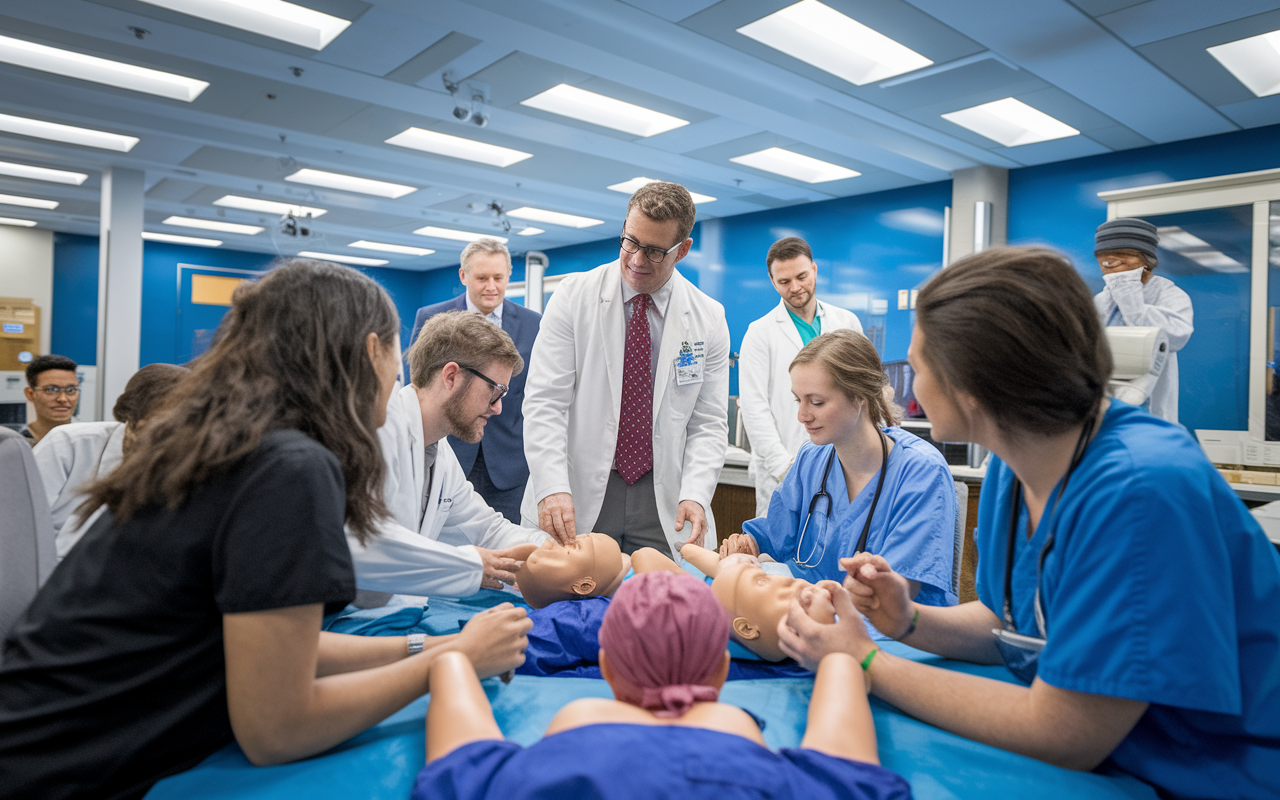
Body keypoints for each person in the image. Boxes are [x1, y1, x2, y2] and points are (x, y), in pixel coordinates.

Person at [0, 258, 532, 800]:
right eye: (397, 355)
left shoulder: (237, 447)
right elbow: (277, 729)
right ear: (371, 351)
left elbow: (286, 647)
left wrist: (428, 645)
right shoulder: (289, 469)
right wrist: (452, 659)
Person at [776, 246, 1280, 800]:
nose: (908, 389)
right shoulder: (1014, 468)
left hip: (1220, 771)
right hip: (1122, 758)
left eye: (919, 369)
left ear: (976, 385)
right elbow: (1011, 623)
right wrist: (909, 621)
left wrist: (866, 658)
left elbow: (1068, 731)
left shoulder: (1140, 488)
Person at [415, 570, 911, 800]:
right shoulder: (787, 785)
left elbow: (451, 670)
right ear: (721, 670)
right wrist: (842, 651)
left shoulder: (520, 781)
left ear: (607, 670)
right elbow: (845, 671)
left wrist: (463, 654)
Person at [522, 181, 730, 557]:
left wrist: (697, 494)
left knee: (661, 607)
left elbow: (708, 422)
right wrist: (551, 486)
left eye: (653, 251)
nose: (636, 260)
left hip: (663, 497)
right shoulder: (573, 297)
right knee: (566, 600)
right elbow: (544, 403)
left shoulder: (709, 317)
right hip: (577, 490)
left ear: (682, 250)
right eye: (630, 242)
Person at [722, 330, 958, 608]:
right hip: (807, 612)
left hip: (885, 632)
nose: (802, 416)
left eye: (817, 402)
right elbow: (775, 534)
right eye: (799, 400)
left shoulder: (921, 473)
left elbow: (898, 591)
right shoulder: (813, 458)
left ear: (859, 397)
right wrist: (749, 543)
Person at [350, 311, 548, 601]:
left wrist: (552, 549)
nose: (498, 409)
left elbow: (486, 530)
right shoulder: (377, 433)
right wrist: (470, 565)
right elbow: (364, 545)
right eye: (495, 391)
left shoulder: (439, 454)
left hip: (393, 614)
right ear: (451, 376)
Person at [409, 238, 541, 523]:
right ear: (463, 276)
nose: (491, 287)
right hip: (449, 451)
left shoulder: (534, 324)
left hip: (509, 464)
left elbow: (538, 395)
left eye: (499, 278)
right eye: (482, 278)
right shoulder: (431, 318)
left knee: (505, 546)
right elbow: (420, 385)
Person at [739, 237, 863, 516]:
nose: (795, 288)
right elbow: (754, 408)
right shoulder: (760, 333)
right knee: (779, 552)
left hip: (845, 465)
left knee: (839, 549)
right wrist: (785, 469)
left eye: (802, 277)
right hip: (784, 468)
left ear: (815, 270)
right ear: (772, 282)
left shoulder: (847, 323)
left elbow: (863, 392)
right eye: (784, 282)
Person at [34, 362, 188, 559]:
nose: (155, 444)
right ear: (128, 419)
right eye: (147, 430)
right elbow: (19, 525)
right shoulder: (69, 444)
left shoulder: (185, 463)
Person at [1093, 218, 1193, 424]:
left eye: (1121, 258)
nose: (1109, 266)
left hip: (1149, 402)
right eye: (1104, 261)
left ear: (1146, 260)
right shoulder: (1102, 300)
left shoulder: (1170, 295)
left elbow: (1176, 337)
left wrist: (1128, 293)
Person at [20, 354, 78, 445]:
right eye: (51, 389)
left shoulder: (88, 441)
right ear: (30, 394)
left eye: (70, 390)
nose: (63, 399)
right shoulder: (17, 445)